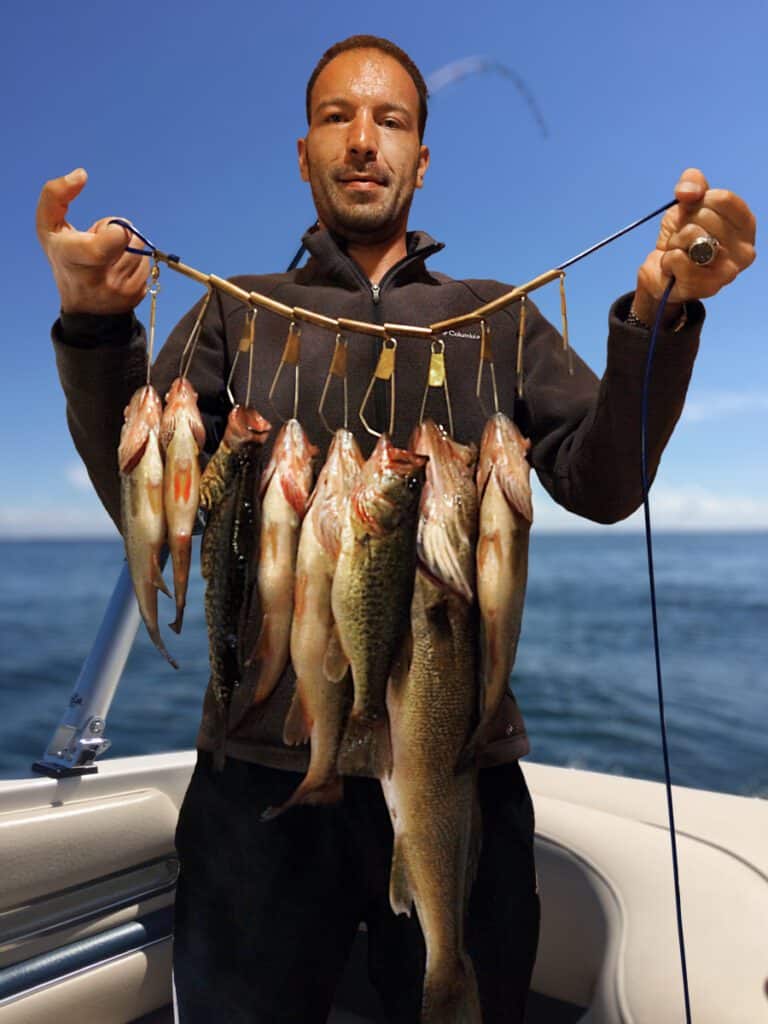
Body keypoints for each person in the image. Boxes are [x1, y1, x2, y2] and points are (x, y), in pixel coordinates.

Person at [36, 34, 755, 1024]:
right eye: (337, 117)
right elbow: (145, 493)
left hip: (458, 764)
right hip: (260, 781)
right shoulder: (236, 316)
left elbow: (603, 480)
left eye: (392, 120)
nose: (363, 140)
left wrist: (657, 318)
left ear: (422, 160)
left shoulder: (496, 320)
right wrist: (92, 329)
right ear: (303, 154)